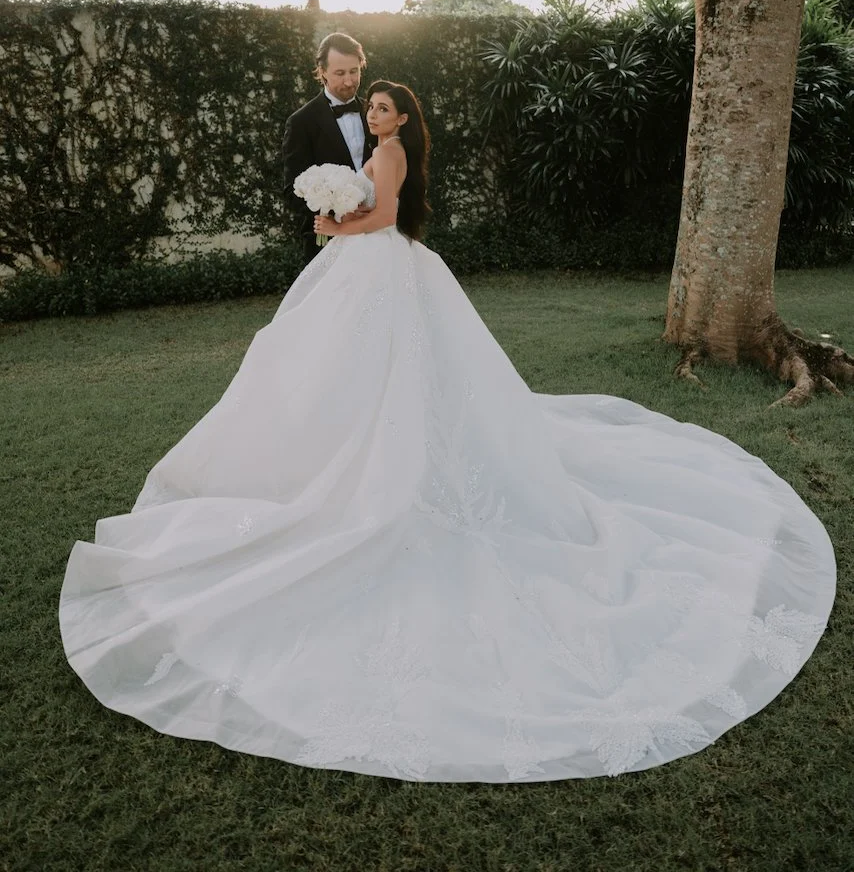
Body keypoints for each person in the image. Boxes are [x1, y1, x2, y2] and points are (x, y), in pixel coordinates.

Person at [58, 81, 836, 784]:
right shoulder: (379, 146)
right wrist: (337, 217)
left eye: (385, 111)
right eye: (371, 109)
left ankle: (387, 474)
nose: (374, 117)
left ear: (404, 122)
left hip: (380, 268)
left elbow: (387, 216)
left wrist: (336, 221)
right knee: (339, 377)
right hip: (365, 275)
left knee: (391, 379)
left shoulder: (392, 155)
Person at [282, 31, 375, 265]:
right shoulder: (301, 122)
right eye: (340, 73)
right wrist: (338, 211)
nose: (349, 81)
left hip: (375, 234)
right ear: (322, 71)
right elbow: (292, 193)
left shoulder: (374, 113)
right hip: (326, 243)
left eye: (354, 71)